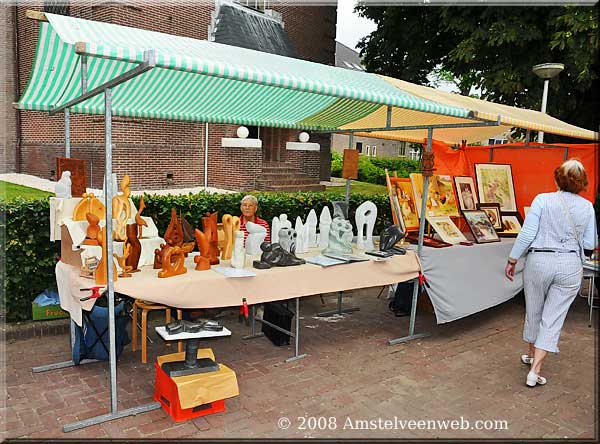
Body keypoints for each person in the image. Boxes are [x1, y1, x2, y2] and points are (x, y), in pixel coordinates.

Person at [505, 159, 597, 387]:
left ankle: (532, 356)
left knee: (534, 310)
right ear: (582, 183)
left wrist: (512, 258)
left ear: (558, 177)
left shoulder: (543, 200)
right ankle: (535, 369)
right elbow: (590, 242)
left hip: (539, 261)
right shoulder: (587, 207)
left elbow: (527, 234)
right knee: (553, 318)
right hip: (569, 265)